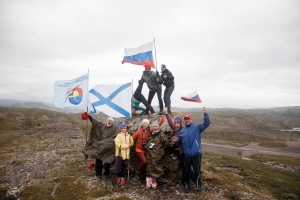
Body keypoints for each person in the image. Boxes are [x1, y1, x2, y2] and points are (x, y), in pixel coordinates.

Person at [172, 107, 210, 193]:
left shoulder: (197, 127)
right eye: (185, 119)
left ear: (191, 119)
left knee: (197, 172)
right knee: (186, 171)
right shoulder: (182, 131)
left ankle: (198, 187)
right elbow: (179, 144)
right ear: (184, 120)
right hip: (187, 154)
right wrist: (175, 141)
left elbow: (206, 124)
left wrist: (205, 114)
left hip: (197, 153)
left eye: (188, 119)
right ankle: (187, 185)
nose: (187, 120)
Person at [81, 114, 119, 179]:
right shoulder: (101, 126)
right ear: (107, 120)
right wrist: (89, 116)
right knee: (98, 160)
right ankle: (98, 174)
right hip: (100, 147)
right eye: (109, 120)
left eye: (111, 121)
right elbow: (95, 122)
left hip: (108, 148)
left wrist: (128, 126)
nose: (109, 122)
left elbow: (122, 130)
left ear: (113, 122)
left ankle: (106, 173)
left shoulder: (115, 128)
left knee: (108, 161)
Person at [164, 107, 185, 185]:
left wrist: (177, 140)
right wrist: (166, 114)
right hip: (173, 146)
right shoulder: (174, 128)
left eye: (178, 124)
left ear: (180, 124)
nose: (176, 125)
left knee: (183, 164)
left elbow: (182, 140)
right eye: (175, 123)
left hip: (179, 147)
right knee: (166, 148)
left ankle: (184, 180)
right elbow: (170, 122)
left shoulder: (183, 130)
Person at [145, 121, 169, 189]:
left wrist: (159, 150)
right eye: (154, 126)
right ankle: (148, 183)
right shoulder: (150, 134)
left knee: (155, 167)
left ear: (158, 127)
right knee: (149, 167)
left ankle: (153, 182)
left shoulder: (161, 135)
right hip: (149, 154)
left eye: (156, 126)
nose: (155, 128)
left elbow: (166, 144)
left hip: (157, 155)